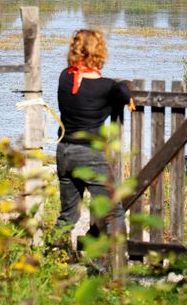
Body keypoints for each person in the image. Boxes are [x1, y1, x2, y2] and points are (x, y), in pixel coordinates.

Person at [54, 28, 133, 248]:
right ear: (100, 52)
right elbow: (125, 94)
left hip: (64, 152)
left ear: (75, 50)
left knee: (68, 215)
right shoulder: (106, 87)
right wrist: (124, 87)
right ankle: (118, 266)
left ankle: (54, 258)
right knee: (113, 212)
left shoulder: (64, 77)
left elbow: (83, 83)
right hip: (90, 155)